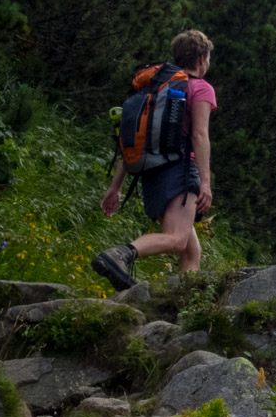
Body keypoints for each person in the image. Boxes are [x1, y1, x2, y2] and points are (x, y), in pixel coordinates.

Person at [91, 29, 216, 288]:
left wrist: (115, 188)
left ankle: (183, 303)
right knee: (177, 239)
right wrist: (205, 182)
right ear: (202, 58)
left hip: (153, 174)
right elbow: (200, 135)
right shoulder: (200, 88)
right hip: (180, 172)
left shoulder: (158, 90)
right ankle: (120, 255)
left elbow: (135, 142)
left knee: (191, 252)